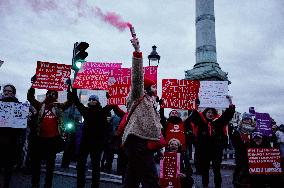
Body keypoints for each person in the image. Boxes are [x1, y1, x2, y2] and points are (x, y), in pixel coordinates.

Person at [121, 37, 164, 188]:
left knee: (132, 178)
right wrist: (137, 52)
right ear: (145, 88)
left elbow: (155, 125)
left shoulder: (150, 102)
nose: (155, 88)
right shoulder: (138, 95)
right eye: (153, 86)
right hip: (138, 142)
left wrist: (160, 147)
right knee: (150, 179)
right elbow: (137, 77)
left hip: (144, 143)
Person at [73, 91, 123, 188]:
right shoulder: (86, 111)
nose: (91, 101)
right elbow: (76, 102)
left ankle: (95, 185)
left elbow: (111, 104)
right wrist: (73, 89)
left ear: (97, 101)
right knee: (81, 164)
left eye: (94, 99)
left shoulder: (102, 112)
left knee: (95, 166)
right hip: (86, 141)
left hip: (96, 143)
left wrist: (110, 96)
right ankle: (80, 184)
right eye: (90, 99)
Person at [27, 86, 72, 188]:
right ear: (46, 95)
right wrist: (33, 85)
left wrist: (70, 88)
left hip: (52, 141)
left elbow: (70, 101)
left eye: (53, 94)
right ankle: (35, 185)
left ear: (56, 97)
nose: (50, 95)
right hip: (40, 140)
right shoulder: (40, 105)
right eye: (49, 94)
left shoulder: (59, 107)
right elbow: (30, 97)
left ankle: (48, 185)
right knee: (36, 165)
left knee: (50, 166)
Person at [187, 96, 235, 188]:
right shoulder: (200, 122)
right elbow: (193, 113)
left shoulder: (219, 122)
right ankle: (205, 186)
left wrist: (230, 101)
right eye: (208, 112)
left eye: (212, 113)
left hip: (216, 151)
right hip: (204, 152)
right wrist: (195, 102)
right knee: (205, 171)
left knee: (217, 170)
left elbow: (228, 114)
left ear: (215, 114)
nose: (210, 114)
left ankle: (218, 186)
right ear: (205, 113)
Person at [0, 84, 22, 188]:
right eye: (5, 90)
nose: (6, 92)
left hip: (11, 140)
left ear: (13, 93)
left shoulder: (19, 106)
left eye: (9, 91)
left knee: (8, 167)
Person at [231, 112, 255, 187]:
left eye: (249, 119)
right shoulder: (237, 130)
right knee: (239, 169)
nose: (247, 121)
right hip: (240, 154)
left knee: (250, 170)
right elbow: (234, 142)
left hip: (251, 154)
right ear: (242, 120)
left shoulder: (254, 131)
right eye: (245, 119)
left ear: (251, 121)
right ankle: (236, 183)